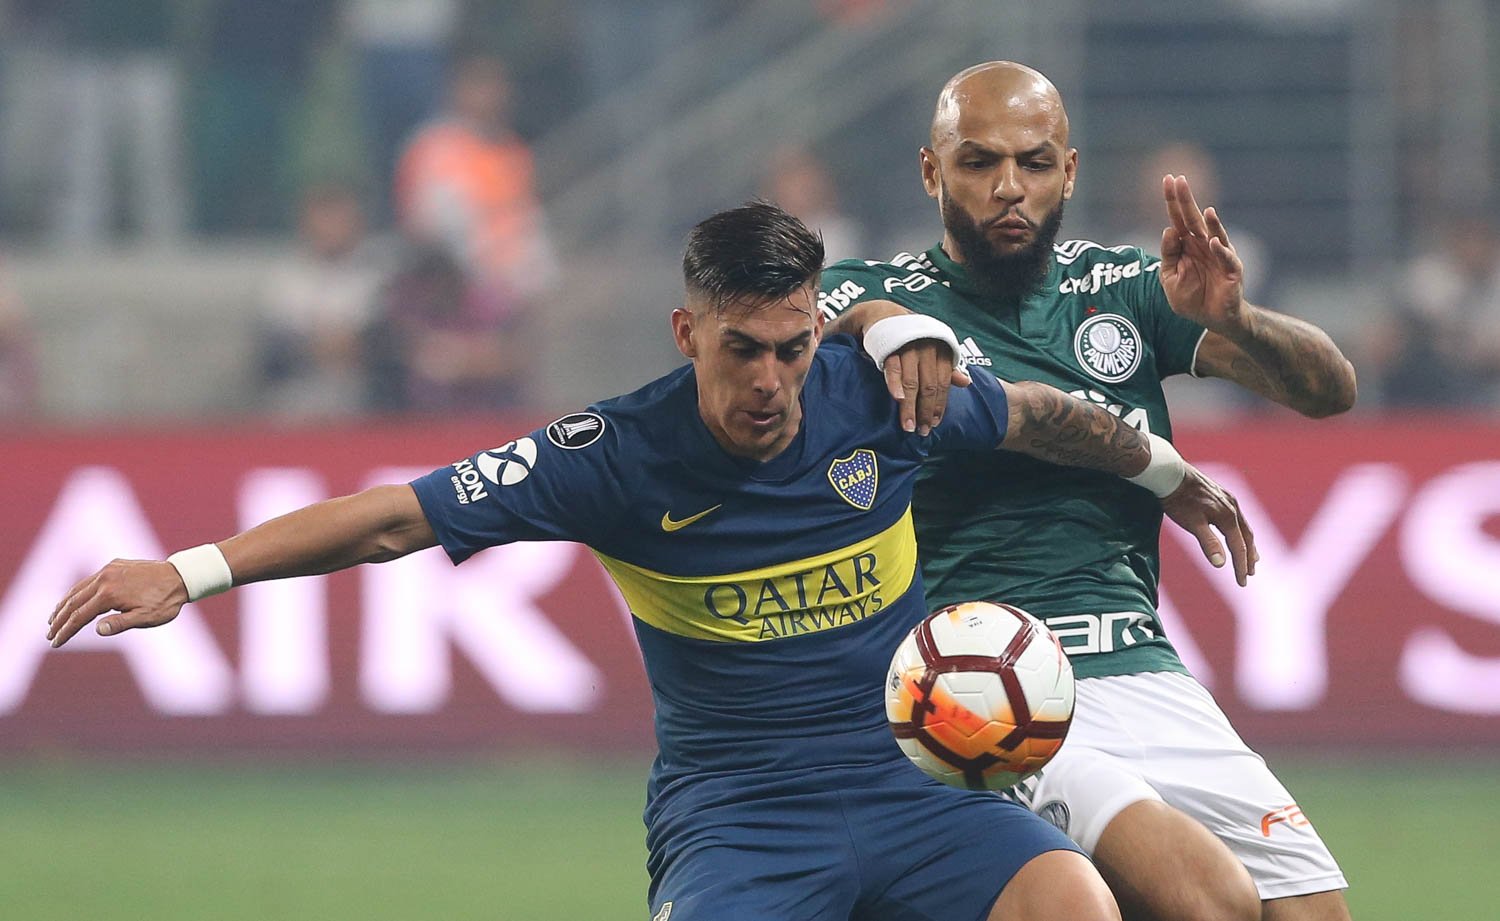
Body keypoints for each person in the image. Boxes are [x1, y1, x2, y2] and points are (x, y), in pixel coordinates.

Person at [48, 202, 1254, 921]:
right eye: (742, 350)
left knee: (1071, 900)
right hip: (740, 817)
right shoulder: (613, 456)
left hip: (914, 785)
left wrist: (1162, 470)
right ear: (689, 332)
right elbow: (395, 518)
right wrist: (192, 571)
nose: (772, 380)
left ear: (818, 325)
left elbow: (1037, 416)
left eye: (792, 347)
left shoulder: (881, 394)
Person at [819, 63, 1358, 921]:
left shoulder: (1126, 288)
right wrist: (881, 323)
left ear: (1068, 172)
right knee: (1206, 899)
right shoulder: (879, 295)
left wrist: (1235, 318)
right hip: (981, 674)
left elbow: (1330, 391)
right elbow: (811, 326)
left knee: (1313, 910)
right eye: (979, 162)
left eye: (1034, 163)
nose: (1009, 187)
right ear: (931, 172)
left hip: (1139, 661)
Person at [256, 182, 388, 419]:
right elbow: (271, 353)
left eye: (339, 218)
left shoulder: (378, 275)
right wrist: (317, 347)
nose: (332, 227)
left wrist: (353, 345)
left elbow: (385, 345)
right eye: (324, 218)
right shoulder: (284, 280)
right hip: (295, 409)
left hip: (363, 408)